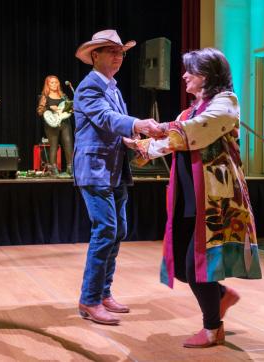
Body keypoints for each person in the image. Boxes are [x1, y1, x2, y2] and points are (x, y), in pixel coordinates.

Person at [130, 48, 262, 347]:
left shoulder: (225, 103)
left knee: (196, 265)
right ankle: (221, 296)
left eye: (191, 70)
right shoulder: (187, 112)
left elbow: (194, 133)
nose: (184, 75)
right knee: (186, 265)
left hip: (215, 199)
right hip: (189, 198)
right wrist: (141, 146)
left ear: (209, 75)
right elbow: (171, 142)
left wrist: (160, 129)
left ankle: (212, 328)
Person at [73, 29, 164, 325]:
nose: (117, 57)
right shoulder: (89, 87)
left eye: (120, 52)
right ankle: (89, 299)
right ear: (94, 56)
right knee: (106, 229)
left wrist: (131, 140)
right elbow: (105, 118)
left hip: (114, 169)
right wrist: (137, 124)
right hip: (95, 169)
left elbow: (111, 128)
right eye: (111, 52)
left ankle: (103, 292)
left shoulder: (113, 86)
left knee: (118, 229)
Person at [36, 75, 73, 176]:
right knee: (54, 146)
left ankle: (70, 168)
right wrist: (49, 108)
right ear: (47, 84)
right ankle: (53, 168)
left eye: (56, 82)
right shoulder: (44, 97)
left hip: (65, 123)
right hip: (51, 124)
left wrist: (71, 108)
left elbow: (69, 107)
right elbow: (39, 112)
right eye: (52, 82)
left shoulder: (63, 96)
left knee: (68, 145)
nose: (54, 84)